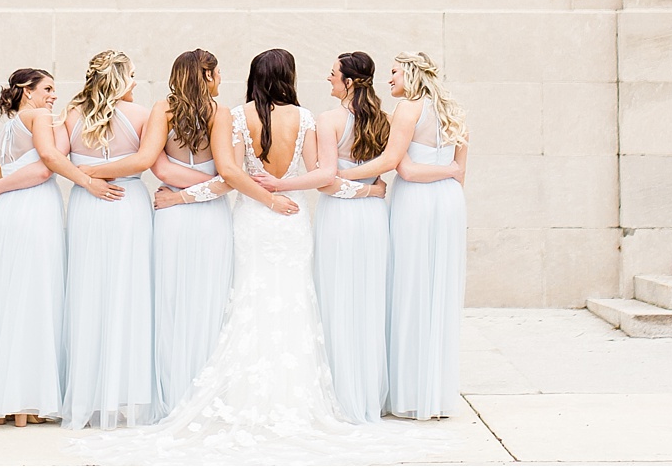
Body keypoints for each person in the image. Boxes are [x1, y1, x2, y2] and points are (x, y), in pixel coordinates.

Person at [85, 48, 422, 464]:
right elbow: (322, 175)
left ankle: (241, 393)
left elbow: (230, 171)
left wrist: (262, 193)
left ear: (254, 77)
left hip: (252, 216)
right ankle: (294, 395)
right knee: (294, 300)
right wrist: (285, 189)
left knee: (247, 296)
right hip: (291, 217)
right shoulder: (306, 118)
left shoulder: (238, 114)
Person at [337, 51, 468, 420]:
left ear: (411, 74)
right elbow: (460, 172)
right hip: (451, 205)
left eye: (393, 72)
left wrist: (340, 175)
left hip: (417, 204)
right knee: (438, 291)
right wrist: (447, 172)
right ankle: (434, 393)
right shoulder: (455, 113)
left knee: (409, 288)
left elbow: (401, 168)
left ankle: (409, 393)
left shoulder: (408, 111)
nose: (389, 79)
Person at [35, 50, 154, 429]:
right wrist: (97, 177)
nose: (136, 82)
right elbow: (143, 162)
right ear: (121, 79)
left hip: (88, 205)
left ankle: (86, 392)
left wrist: (86, 178)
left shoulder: (73, 114)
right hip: (128, 204)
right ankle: (126, 392)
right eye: (132, 75)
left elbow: (54, 157)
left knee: (87, 293)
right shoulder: (143, 115)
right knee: (128, 294)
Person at [0, 68, 67, 426]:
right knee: (35, 298)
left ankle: (7, 400)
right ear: (26, 90)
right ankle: (29, 401)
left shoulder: (4, 130)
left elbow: (3, 173)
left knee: (7, 299)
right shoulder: (39, 116)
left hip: (6, 216)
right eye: (48, 88)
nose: (53, 95)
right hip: (34, 210)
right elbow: (44, 169)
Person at [146, 49, 236, 414]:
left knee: (170, 299)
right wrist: (211, 184)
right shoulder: (221, 113)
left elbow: (162, 169)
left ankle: (173, 393)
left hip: (171, 213)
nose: (221, 81)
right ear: (207, 76)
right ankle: (205, 393)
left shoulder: (161, 110)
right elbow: (228, 176)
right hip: (210, 213)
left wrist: (182, 194)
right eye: (217, 74)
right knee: (210, 300)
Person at [312, 52, 392, 423]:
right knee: (367, 298)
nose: (329, 79)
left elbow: (326, 182)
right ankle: (365, 392)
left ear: (347, 81)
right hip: (373, 218)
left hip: (341, 219)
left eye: (332, 75)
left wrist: (356, 191)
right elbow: (378, 178)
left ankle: (343, 394)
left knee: (338, 296)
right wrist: (370, 191)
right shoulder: (384, 120)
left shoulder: (327, 121)